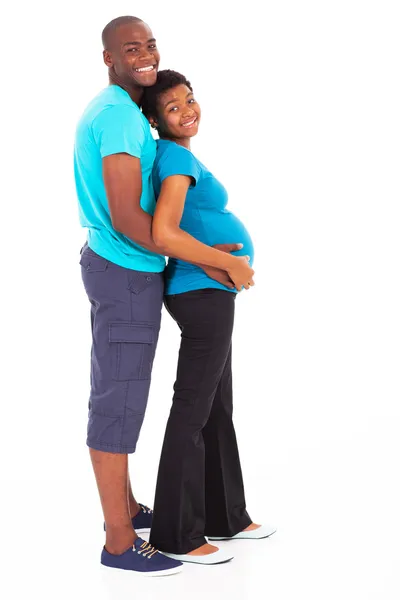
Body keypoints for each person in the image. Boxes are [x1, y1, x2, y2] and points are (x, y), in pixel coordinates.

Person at [74, 18, 254, 576]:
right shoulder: (122, 118)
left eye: (150, 44)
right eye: (132, 48)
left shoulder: (123, 115)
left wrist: (198, 251)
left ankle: (128, 509)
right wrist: (215, 258)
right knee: (119, 402)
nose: (145, 55)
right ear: (109, 58)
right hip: (125, 272)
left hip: (129, 272)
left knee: (122, 395)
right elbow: (131, 219)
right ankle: (120, 541)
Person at [141, 70, 276, 565]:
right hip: (200, 292)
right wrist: (230, 262)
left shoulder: (181, 155)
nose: (187, 110)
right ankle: (177, 534)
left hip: (207, 292)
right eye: (172, 107)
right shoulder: (174, 157)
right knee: (193, 410)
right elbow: (165, 232)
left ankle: (226, 515)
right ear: (155, 120)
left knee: (218, 406)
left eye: (189, 100)